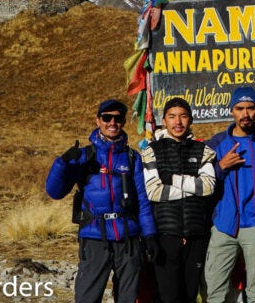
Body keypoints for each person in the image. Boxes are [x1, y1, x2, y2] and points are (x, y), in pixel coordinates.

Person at [45, 98, 157, 303]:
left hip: (128, 239)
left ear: (123, 121)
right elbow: (54, 192)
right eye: (107, 118)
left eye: (118, 118)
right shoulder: (85, 156)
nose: (112, 123)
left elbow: (142, 201)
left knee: (128, 298)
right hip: (95, 238)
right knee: (87, 297)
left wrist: (149, 235)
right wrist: (61, 164)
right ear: (98, 120)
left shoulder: (133, 158)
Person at [140, 97, 217, 303]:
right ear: (164, 120)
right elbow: (154, 192)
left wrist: (173, 180)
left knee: (190, 295)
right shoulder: (151, 152)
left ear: (191, 119)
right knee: (168, 296)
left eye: (183, 116)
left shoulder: (205, 151)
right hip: (166, 235)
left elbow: (208, 187)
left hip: (195, 235)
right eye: (172, 117)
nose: (178, 122)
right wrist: (193, 188)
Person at [204, 86, 255, 303]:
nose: (245, 113)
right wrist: (220, 167)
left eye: (250, 108)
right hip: (224, 226)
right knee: (214, 291)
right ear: (232, 111)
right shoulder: (216, 144)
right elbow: (203, 185)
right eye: (240, 108)